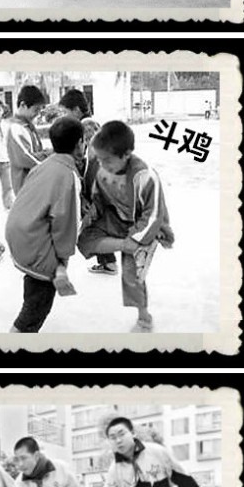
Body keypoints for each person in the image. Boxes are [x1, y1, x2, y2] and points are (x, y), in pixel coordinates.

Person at [79, 118, 174, 336]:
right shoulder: (102, 170)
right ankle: (125, 246)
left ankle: (144, 319)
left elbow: (154, 214)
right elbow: (99, 201)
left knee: (132, 274)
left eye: (107, 160)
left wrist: (136, 239)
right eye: (98, 159)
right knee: (84, 238)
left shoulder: (146, 176)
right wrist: (90, 217)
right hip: (118, 219)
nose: (102, 164)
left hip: (145, 226)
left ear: (126, 154)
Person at [6, 111, 84, 335]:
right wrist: (62, 262)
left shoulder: (43, 165)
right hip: (34, 240)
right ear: (80, 144)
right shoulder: (68, 175)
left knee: (35, 285)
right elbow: (65, 224)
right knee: (36, 307)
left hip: (18, 232)